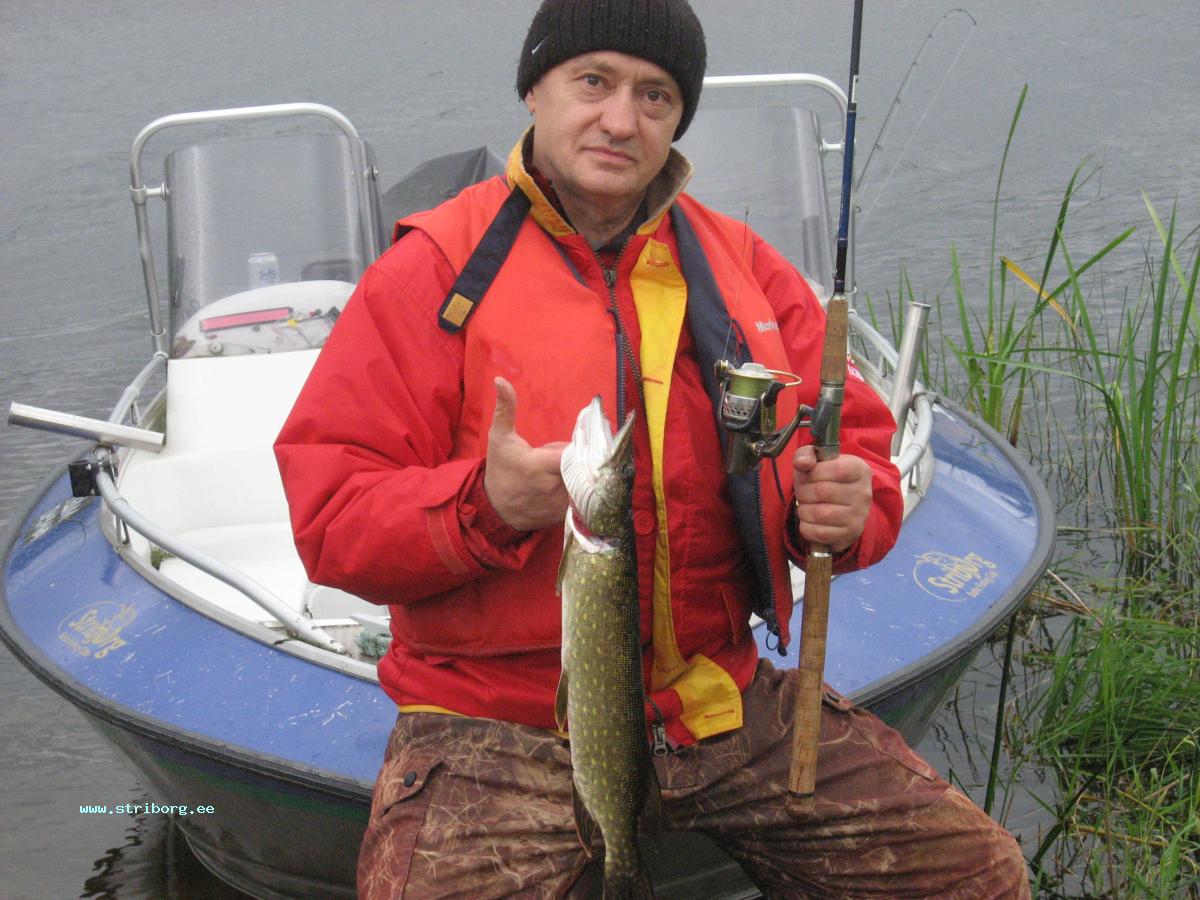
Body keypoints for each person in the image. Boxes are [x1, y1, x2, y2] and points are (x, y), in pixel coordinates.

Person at [274, 0, 1030, 895]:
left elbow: (854, 444)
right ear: (534, 90)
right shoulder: (432, 273)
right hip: (493, 725)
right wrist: (486, 506)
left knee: (975, 873)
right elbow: (333, 522)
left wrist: (850, 508)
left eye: (655, 95)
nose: (621, 120)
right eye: (592, 82)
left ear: (678, 118)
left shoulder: (744, 265)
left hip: (714, 698)